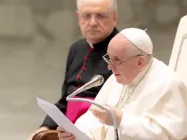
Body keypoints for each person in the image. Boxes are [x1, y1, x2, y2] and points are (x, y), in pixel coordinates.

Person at [57, 28, 187, 140]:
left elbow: (168, 135)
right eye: (108, 58)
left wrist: (121, 120)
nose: (109, 67)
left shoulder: (169, 84)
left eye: (116, 60)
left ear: (140, 62)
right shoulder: (117, 77)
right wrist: (76, 133)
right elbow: (93, 117)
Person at [28, 0, 119, 139]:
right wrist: (44, 127)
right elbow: (66, 100)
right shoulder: (77, 48)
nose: (93, 22)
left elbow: (127, 107)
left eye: (100, 16)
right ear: (78, 17)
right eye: (86, 15)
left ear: (114, 17)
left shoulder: (125, 50)